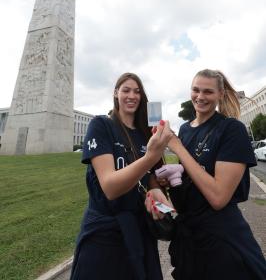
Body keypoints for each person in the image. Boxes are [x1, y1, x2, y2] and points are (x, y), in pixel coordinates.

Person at [146, 69, 266, 280]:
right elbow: (192, 179)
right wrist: (170, 181)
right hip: (190, 241)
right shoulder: (185, 129)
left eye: (208, 92)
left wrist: (177, 147)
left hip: (221, 240)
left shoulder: (231, 129)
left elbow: (218, 197)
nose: (200, 97)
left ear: (220, 95)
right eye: (196, 90)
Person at [70, 72, 173, 280]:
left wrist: (154, 188)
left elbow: (151, 175)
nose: (132, 96)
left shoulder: (147, 134)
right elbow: (110, 187)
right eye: (126, 90)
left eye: (137, 91)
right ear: (116, 93)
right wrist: (150, 157)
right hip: (104, 233)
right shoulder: (101, 126)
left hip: (139, 230)